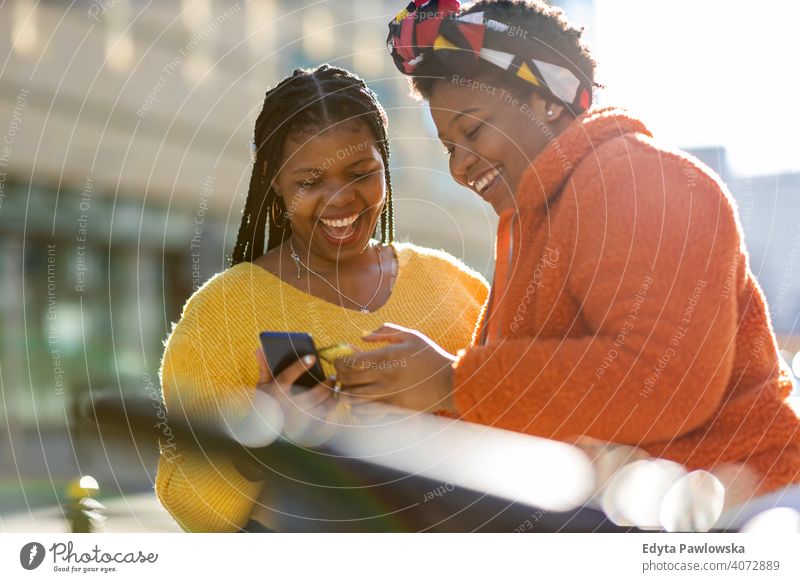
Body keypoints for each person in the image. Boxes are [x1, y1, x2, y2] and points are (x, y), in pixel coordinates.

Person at [335, 0, 800, 504]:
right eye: (449, 146)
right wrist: (377, 403)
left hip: (747, 511)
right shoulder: (533, 219)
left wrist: (449, 381)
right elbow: (533, 406)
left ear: (546, 101)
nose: (460, 167)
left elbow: (663, 379)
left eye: (472, 130)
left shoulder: (641, 181)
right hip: (639, 513)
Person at [154, 64, 488, 532]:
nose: (341, 200)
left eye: (361, 173)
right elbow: (189, 506)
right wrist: (264, 432)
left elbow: (533, 423)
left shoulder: (454, 287)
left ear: (384, 165)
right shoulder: (221, 315)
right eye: (310, 182)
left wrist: (449, 385)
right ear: (274, 180)